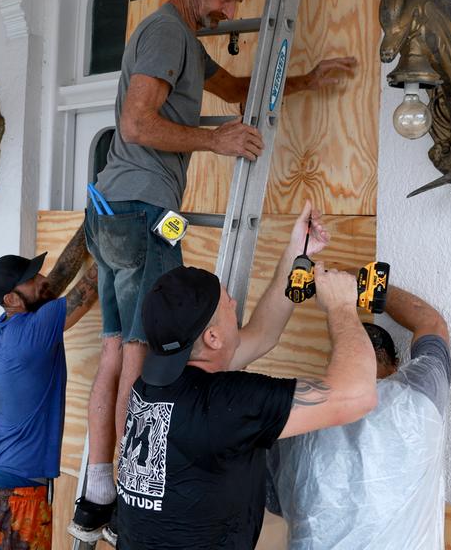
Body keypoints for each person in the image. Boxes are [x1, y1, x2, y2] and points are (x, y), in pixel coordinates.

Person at [73, 0, 358, 539]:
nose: (232, 14)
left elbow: (234, 91)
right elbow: (137, 123)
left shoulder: (180, 40)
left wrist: (308, 79)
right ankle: (132, 483)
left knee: (119, 348)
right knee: (144, 357)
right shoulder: (165, 32)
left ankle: (98, 487)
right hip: (145, 210)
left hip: (114, 211)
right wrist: (215, 140)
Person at [110, 202, 378, 549]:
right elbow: (357, 395)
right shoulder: (224, 403)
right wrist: (342, 306)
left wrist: (299, 253)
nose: (235, 304)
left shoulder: (152, 384)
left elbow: (263, 334)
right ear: (212, 338)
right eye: (228, 304)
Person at [266, 284, 451, 549]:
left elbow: (275, 498)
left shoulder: (303, 418)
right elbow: (429, 320)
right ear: (394, 362)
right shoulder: (419, 399)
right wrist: (360, 283)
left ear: (338, 362)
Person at [0, 233, 98, 550]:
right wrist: (124, 229)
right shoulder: (34, 332)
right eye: (30, 278)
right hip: (18, 496)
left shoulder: (7, 324)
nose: (41, 278)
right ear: (11, 298)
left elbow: (59, 276)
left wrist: (88, 227)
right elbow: (91, 286)